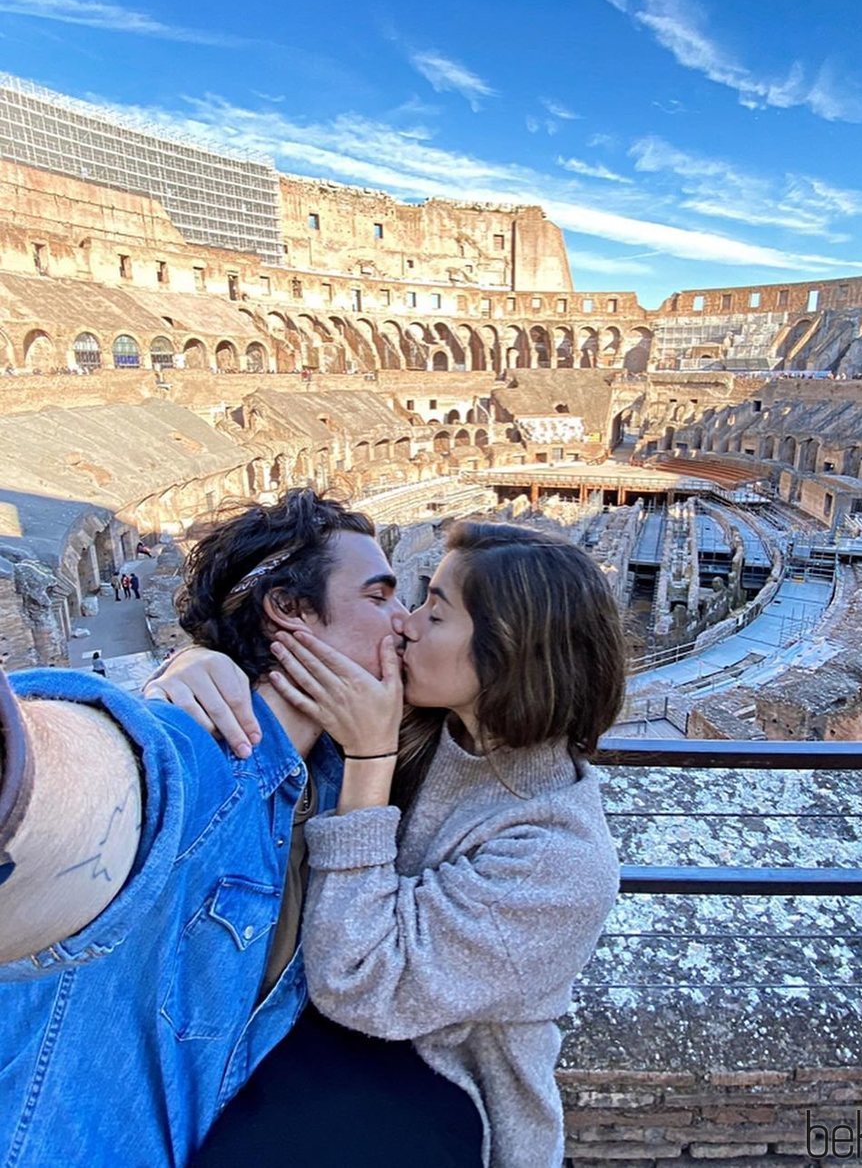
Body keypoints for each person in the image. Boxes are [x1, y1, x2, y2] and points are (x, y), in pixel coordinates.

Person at [160, 521, 624, 1168]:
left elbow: (359, 982)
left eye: (436, 612)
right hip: (315, 1020)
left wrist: (371, 760)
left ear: (509, 650)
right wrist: (199, 663)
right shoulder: (423, 724)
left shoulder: (560, 858)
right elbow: (270, 679)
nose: (405, 623)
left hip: (434, 1071)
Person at [0, 490, 416, 1167]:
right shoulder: (195, 749)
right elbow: (107, 787)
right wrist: (22, 779)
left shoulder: (345, 779)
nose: (406, 622)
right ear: (286, 608)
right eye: (378, 597)